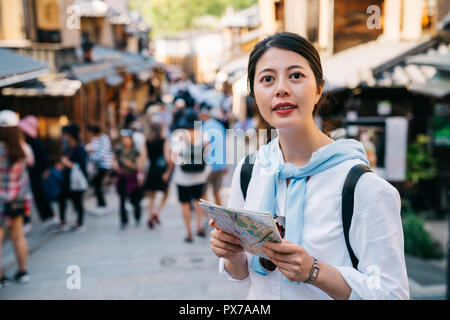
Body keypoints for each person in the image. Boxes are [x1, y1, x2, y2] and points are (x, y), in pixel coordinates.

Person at [209, 32, 409, 300]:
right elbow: (246, 275)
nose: (281, 88)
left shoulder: (362, 187)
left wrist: (315, 271)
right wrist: (232, 254)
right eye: (267, 79)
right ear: (254, 95)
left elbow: (392, 294)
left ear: (318, 89)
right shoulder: (249, 171)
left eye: (295, 76)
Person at [0, 110, 32, 287]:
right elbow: (31, 164)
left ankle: (1, 277)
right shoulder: (24, 148)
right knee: (18, 236)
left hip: (0, 200)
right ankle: (22, 271)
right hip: (18, 199)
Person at [171, 108, 211, 243]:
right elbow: (208, 152)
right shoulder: (203, 134)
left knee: (185, 204)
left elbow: (174, 155)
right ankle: (199, 227)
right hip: (200, 176)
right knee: (198, 202)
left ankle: (189, 233)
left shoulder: (179, 135)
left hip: (182, 177)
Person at [18, 116, 54, 226]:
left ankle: (46, 216)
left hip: (35, 173)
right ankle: (28, 219)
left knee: (38, 195)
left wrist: (45, 169)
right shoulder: (27, 142)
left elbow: (42, 158)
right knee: (30, 197)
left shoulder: (33, 142)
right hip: (30, 173)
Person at [58, 123, 88, 233]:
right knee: (62, 198)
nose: (65, 137)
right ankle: (63, 221)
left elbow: (82, 165)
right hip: (66, 178)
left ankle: (79, 222)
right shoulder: (67, 147)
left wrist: (68, 163)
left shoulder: (80, 148)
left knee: (77, 201)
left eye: (66, 134)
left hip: (76, 180)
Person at [113, 129, 144, 230]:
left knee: (135, 199)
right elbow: (114, 160)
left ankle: (137, 217)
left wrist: (129, 164)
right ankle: (124, 220)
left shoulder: (135, 151)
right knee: (122, 200)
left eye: (127, 138)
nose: (126, 141)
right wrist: (116, 166)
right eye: (124, 139)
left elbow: (139, 165)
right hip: (122, 177)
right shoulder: (119, 150)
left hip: (133, 177)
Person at [144, 122, 172, 229]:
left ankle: (150, 215)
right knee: (165, 194)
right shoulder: (164, 141)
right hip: (162, 171)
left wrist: (142, 174)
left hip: (151, 171)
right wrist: (168, 172)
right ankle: (157, 212)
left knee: (151, 196)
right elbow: (168, 159)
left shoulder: (146, 141)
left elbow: (144, 159)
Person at [198, 104, 228, 206]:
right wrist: (225, 164)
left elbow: (204, 146)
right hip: (220, 164)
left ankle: (210, 217)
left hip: (209, 166)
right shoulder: (220, 126)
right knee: (216, 192)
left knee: (202, 193)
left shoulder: (204, 127)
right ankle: (220, 216)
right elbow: (224, 145)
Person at [86, 124, 113, 215]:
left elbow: (101, 154)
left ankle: (102, 205)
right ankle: (101, 204)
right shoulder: (95, 139)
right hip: (97, 166)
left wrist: (90, 155)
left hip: (104, 165)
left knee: (97, 183)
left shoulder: (104, 139)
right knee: (96, 184)